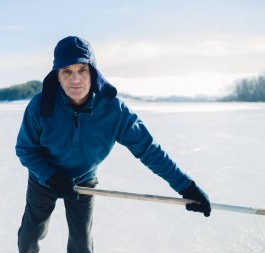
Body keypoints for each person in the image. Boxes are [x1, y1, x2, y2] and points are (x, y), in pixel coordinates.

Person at [15, 36, 211, 253]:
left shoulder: (113, 110)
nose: (75, 79)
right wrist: (50, 176)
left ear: (93, 72)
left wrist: (186, 186)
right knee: (30, 235)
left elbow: (148, 149)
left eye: (82, 69)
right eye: (66, 71)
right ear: (57, 77)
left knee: (81, 242)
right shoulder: (40, 106)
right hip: (43, 180)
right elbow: (25, 149)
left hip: (83, 181)